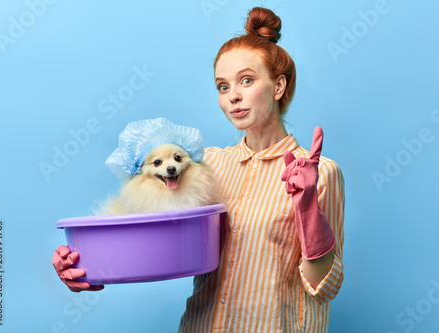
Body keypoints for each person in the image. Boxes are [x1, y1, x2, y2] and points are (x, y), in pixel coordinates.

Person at [53, 7, 345, 332]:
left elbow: (326, 286)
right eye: (222, 86)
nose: (233, 96)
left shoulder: (320, 172)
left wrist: (308, 212)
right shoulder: (205, 166)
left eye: (246, 80)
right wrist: (85, 264)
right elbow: (145, 233)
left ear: (278, 87)